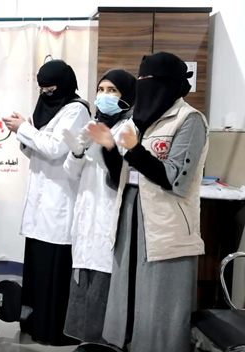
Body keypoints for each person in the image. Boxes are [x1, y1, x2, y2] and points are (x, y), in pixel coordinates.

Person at [88, 52, 208, 352]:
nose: (142, 87)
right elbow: (121, 177)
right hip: (131, 216)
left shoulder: (189, 120)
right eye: (139, 80)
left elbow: (174, 178)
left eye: (148, 81)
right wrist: (110, 149)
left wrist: (134, 149)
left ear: (169, 84)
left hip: (166, 226)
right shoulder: (138, 119)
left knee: (160, 307)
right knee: (129, 300)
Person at [2, 59, 90, 346]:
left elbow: (55, 148)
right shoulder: (45, 108)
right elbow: (38, 152)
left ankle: (54, 332)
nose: (46, 93)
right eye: (42, 88)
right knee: (38, 272)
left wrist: (25, 129)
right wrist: (25, 132)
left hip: (60, 205)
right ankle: (34, 326)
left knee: (54, 273)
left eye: (51, 88)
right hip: (42, 206)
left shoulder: (77, 109)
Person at [61, 69, 137, 352]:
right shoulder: (94, 126)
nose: (104, 96)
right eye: (101, 89)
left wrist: (108, 147)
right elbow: (72, 173)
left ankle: (107, 344)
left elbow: (123, 176)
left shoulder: (130, 129)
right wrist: (78, 151)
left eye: (112, 91)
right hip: (87, 215)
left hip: (109, 214)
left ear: (127, 96)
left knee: (104, 282)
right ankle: (87, 340)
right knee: (85, 277)